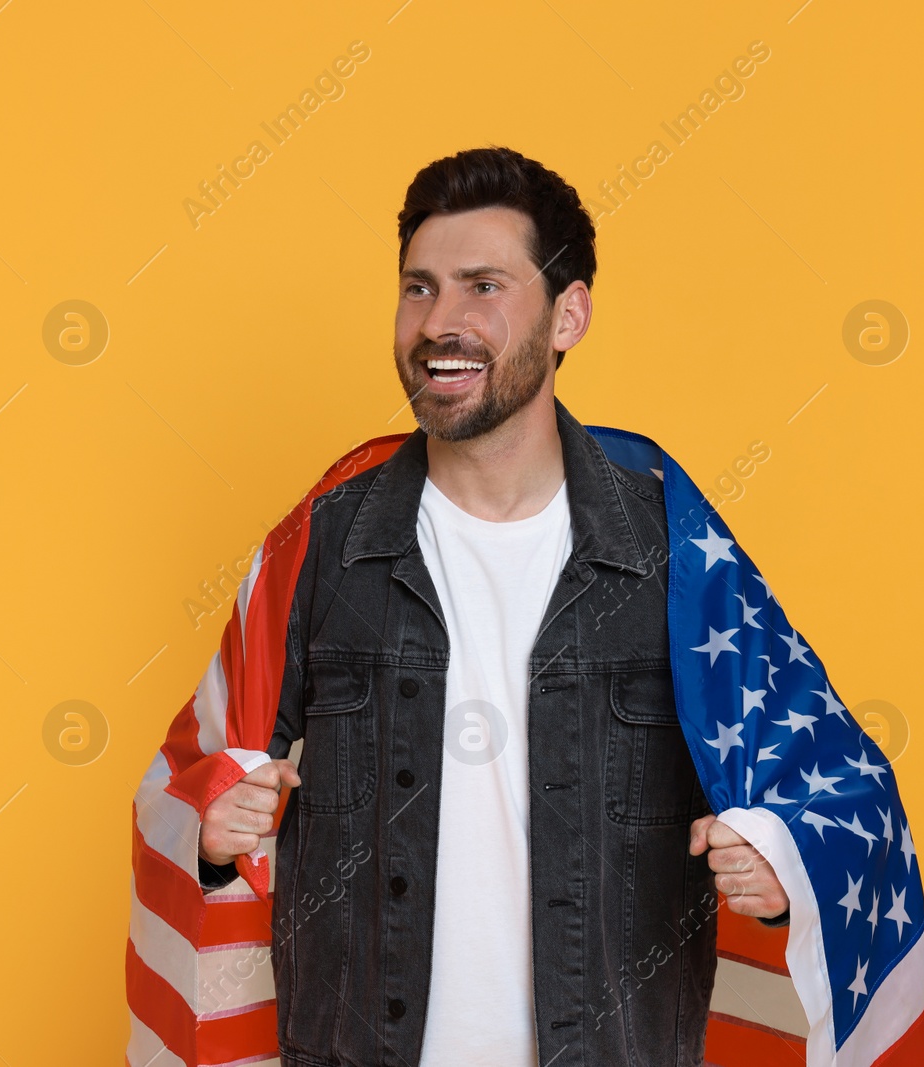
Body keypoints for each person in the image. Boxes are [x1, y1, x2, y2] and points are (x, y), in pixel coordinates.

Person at [131, 147, 799, 1066]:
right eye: (418, 288)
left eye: (484, 286)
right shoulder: (323, 541)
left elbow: (818, 792)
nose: (439, 324)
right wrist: (212, 831)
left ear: (570, 314)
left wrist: (783, 867)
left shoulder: (673, 550)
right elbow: (191, 773)